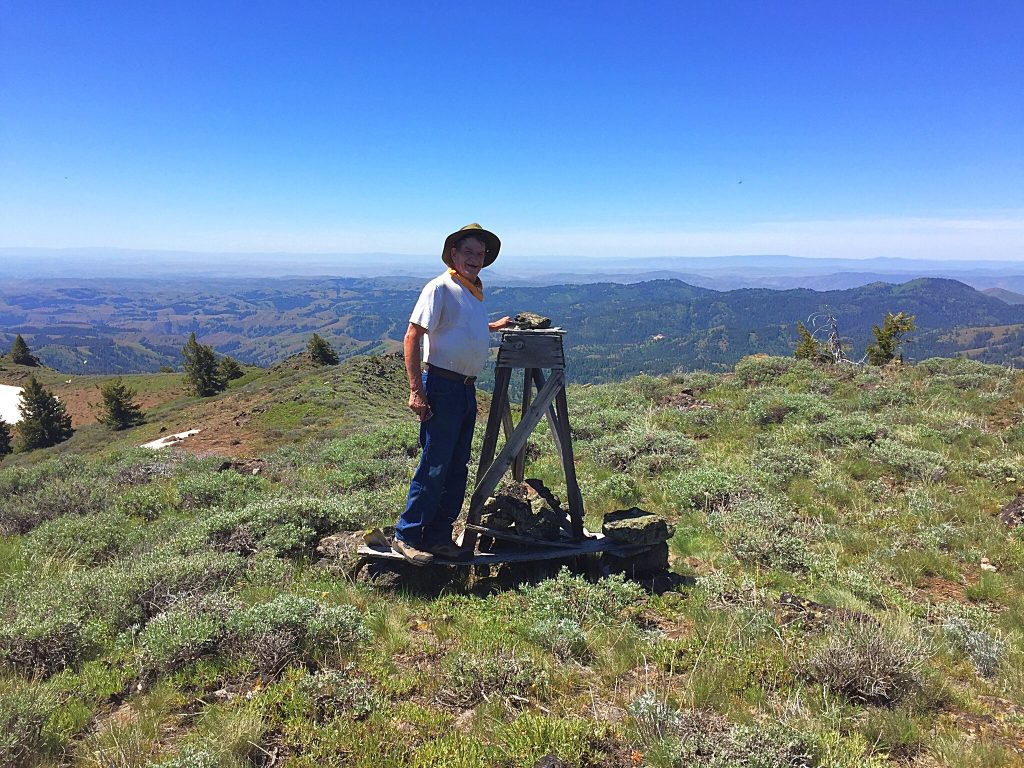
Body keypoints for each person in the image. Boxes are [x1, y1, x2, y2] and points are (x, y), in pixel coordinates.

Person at [393, 224, 510, 565]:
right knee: (435, 464)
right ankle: (408, 535)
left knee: (457, 466)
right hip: (442, 387)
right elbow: (413, 336)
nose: (475, 259)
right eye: (469, 253)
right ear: (454, 254)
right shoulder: (440, 287)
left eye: (480, 254)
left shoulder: (471, 290)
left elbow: (457, 326)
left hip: (465, 390)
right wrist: (417, 391)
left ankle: (439, 537)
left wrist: (490, 327)